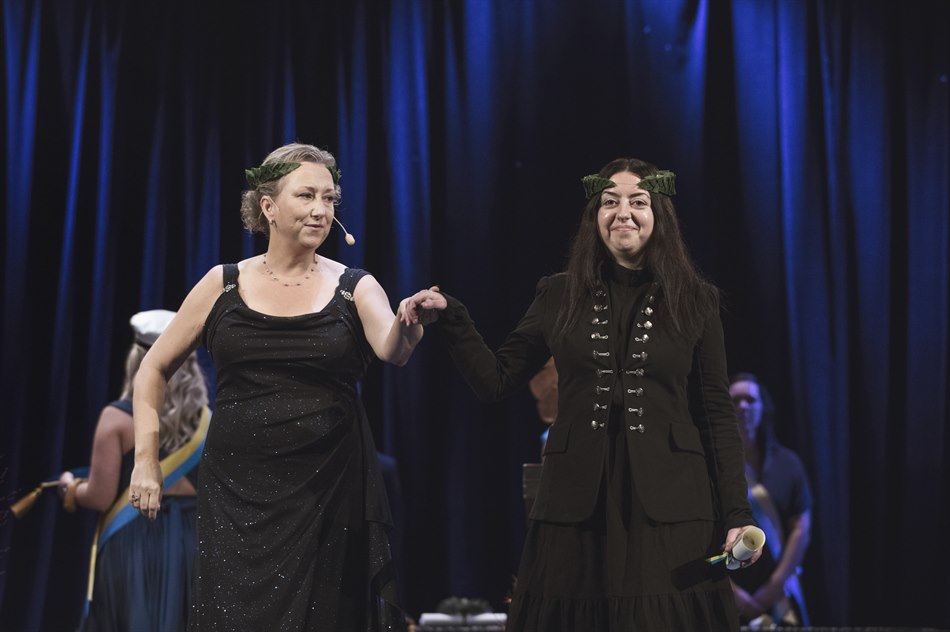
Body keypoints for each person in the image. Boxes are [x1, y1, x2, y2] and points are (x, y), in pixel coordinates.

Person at [405, 158, 761, 631]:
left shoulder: (696, 300)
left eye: (638, 202)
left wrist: (737, 513)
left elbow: (716, 413)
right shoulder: (558, 294)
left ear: (659, 215)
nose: (623, 213)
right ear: (595, 215)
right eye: (610, 202)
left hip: (673, 505)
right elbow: (496, 379)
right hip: (575, 504)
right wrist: (452, 317)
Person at [129, 143, 432, 631]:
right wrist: (146, 460)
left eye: (330, 198)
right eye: (307, 195)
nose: (321, 210)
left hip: (328, 491)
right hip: (236, 496)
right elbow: (152, 368)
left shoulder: (355, 285)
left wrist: (408, 325)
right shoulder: (223, 284)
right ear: (268, 206)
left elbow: (391, 348)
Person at [58, 309, 209, 632]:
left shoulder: (116, 419)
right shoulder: (209, 422)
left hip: (134, 541)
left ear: (137, 361)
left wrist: (70, 488)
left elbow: (100, 497)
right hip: (191, 544)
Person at [728, 373, 812, 626]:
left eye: (750, 400)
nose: (743, 406)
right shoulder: (712, 467)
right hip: (727, 594)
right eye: (735, 400)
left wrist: (773, 586)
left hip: (779, 591)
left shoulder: (788, 464)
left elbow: (801, 527)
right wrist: (732, 592)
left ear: (763, 407)